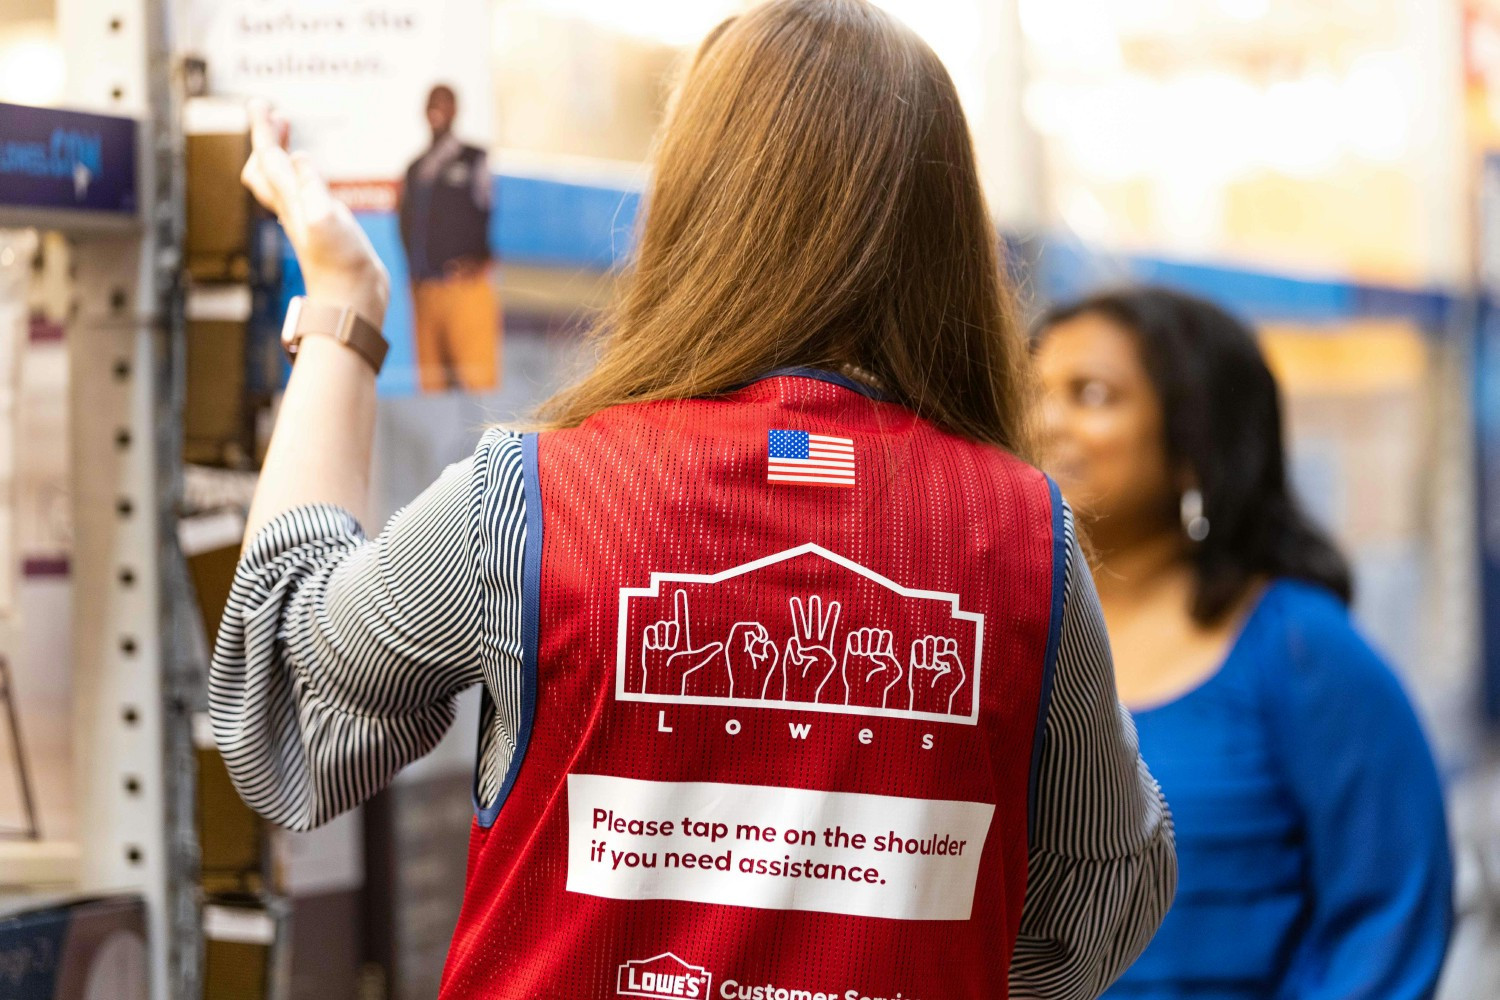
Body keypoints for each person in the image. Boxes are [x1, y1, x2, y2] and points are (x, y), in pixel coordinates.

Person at [217, 3, 1176, 997]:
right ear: (945, 233)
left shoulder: (535, 499)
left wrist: (344, 311)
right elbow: (1096, 893)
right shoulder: (1021, 535)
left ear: (693, 203)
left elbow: (283, 701)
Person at [1033, 286, 1453, 999]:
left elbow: (1391, 912)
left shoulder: (1299, 648)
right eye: (1030, 390)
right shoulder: (1006, 631)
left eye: (1092, 395)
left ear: (1197, 435)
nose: (1043, 421)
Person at [397, 83, 501, 392]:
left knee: (477, 382)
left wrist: (481, 261)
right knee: (432, 385)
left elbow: (489, 212)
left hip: (464, 287)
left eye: (444, 103)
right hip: (425, 289)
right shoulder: (415, 169)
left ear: (455, 110)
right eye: (431, 103)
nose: (437, 109)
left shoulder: (474, 159)